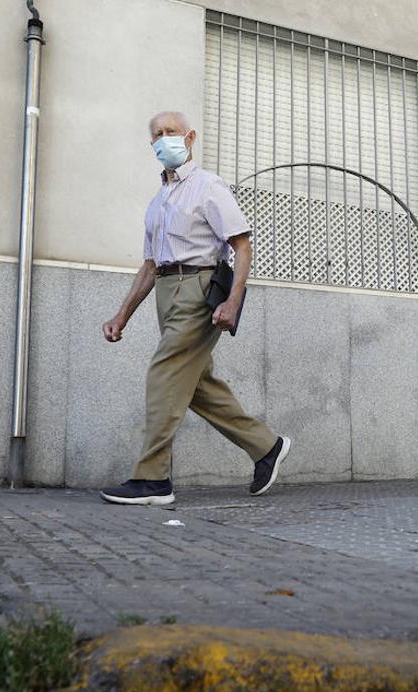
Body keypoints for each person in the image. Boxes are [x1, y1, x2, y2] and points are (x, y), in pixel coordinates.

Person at [99, 111, 290, 507]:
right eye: (156, 134)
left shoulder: (208, 187)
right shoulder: (158, 202)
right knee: (197, 387)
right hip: (166, 292)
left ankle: (152, 480)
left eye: (171, 132)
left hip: (200, 289)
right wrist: (122, 316)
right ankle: (266, 446)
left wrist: (233, 300)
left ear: (190, 138)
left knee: (164, 374)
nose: (163, 138)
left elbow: (242, 246)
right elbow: (150, 265)